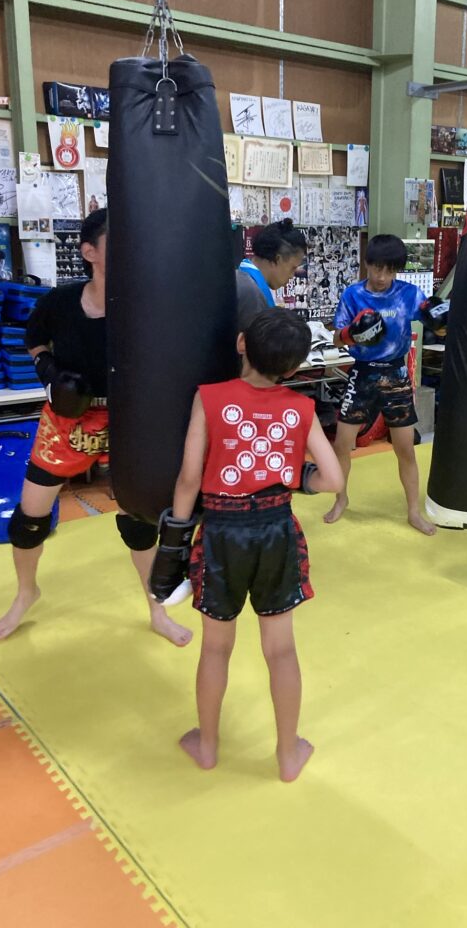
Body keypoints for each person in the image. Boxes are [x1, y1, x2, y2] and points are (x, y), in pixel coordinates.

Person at [150, 309, 343, 778]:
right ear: (293, 369)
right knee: (281, 650)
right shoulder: (301, 408)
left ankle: (208, 747)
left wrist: (173, 544)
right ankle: (287, 756)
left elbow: (188, 479)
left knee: (216, 649)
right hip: (276, 528)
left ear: (241, 344)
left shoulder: (209, 398)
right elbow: (334, 479)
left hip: (222, 531)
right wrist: (299, 478)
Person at [0, 208, 192, 647]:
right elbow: (34, 340)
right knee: (28, 520)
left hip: (128, 421)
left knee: (138, 522)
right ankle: (26, 593)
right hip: (68, 418)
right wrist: (49, 373)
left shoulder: (145, 306)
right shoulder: (60, 302)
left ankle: (157, 611)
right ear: (89, 252)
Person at [324, 233, 445, 536]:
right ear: (367, 264)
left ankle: (413, 512)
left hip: (396, 374)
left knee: (405, 447)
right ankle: (341, 499)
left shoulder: (409, 294)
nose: (381, 277)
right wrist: (352, 333)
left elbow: (438, 327)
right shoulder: (353, 295)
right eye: (377, 268)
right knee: (342, 443)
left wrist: (441, 321)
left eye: (389, 270)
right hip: (363, 374)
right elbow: (337, 338)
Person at [236, 218, 307, 331]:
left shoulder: (242, 277)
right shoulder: (252, 294)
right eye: (293, 268)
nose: (292, 276)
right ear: (277, 259)